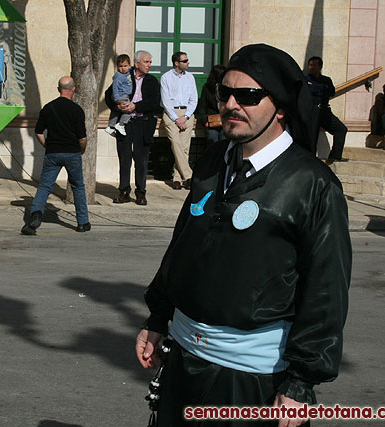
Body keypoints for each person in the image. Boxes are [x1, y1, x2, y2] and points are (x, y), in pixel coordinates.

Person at [135, 44, 351, 427]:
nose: (232, 104)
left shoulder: (313, 185)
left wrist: (302, 380)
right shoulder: (214, 162)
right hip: (184, 361)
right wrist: (158, 316)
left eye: (249, 95)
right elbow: (182, 248)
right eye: (225, 93)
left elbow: (326, 289)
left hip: (251, 380)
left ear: (281, 106)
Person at [21, 76, 91, 235]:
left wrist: (47, 145)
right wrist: (82, 150)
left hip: (53, 153)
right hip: (72, 152)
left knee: (45, 186)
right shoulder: (77, 110)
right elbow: (82, 137)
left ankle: (35, 216)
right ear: (73, 89)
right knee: (78, 187)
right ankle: (82, 222)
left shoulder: (48, 108)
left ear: (59, 89)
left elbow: (38, 132)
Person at [105, 50, 160, 206]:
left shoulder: (152, 81)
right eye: (146, 62)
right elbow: (109, 95)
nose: (149, 65)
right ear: (137, 64)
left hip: (143, 123)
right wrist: (118, 105)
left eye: (150, 62)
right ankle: (123, 191)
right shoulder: (123, 76)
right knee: (125, 158)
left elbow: (154, 102)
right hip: (125, 123)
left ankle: (141, 193)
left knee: (141, 160)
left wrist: (135, 106)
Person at [160, 51, 198, 190]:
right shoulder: (166, 78)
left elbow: (194, 99)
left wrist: (186, 116)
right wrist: (176, 118)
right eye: (185, 60)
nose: (188, 62)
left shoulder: (190, 77)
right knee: (176, 144)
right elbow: (165, 101)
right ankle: (189, 176)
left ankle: (177, 178)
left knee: (184, 147)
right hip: (171, 113)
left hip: (187, 113)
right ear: (177, 63)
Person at [305, 56, 348, 163]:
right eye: (310, 65)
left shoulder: (326, 79)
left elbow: (331, 92)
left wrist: (317, 88)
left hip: (324, 111)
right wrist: (322, 88)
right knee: (312, 137)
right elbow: (309, 91)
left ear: (320, 67)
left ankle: (335, 156)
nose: (312, 67)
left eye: (314, 65)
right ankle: (310, 161)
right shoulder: (305, 79)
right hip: (313, 111)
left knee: (341, 129)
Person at [196, 64, 227, 147]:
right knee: (212, 143)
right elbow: (202, 107)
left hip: (225, 122)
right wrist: (205, 121)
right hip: (211, 122)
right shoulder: (207, 88)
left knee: (224, 145)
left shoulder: (226, 88)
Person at [105, 54, 133, 137]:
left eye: (125, 66)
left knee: (116, 111)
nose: (123, 68)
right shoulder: (118, 76)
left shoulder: (129, 72)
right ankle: (121, 124)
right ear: (117, 66)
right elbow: (115, 88)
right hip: (121, 95)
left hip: (123, 95)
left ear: (129, 66)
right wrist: (117, 98)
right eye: (120, 66)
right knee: (128, 109)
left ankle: (111, 126)